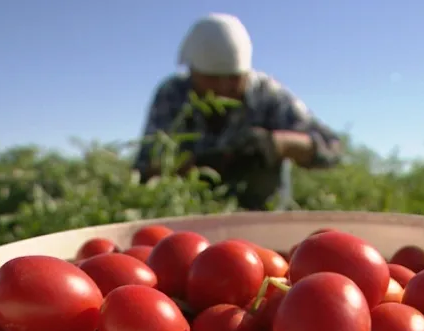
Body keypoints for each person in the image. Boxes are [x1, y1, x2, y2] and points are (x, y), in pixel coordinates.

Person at [133, 13, 343, 210]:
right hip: (188, 215)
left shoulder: (267, 94)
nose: (223, 87)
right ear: (191, 70)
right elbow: (145, 168)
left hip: (263, 219)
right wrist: (196, 165)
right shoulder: (173, 95)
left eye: (233, 78)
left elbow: (331, 147)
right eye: (212, 78)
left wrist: (276, 144)